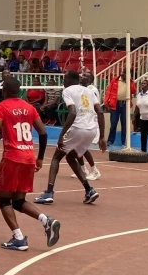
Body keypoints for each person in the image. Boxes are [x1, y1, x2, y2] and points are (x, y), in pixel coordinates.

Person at [0, 76, 60, 251]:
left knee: (3, 200)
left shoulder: (0, 108)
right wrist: (40, 158)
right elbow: (43, 132)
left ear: (4, 91)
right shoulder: (29, 107)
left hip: (12, 158)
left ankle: (18, 238)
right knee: (18, 201)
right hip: (29, 158)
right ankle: (46, 221)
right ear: (19, 91)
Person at [34, 71, 106, 205]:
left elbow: (72, 112)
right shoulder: (89, 91)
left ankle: (49, 192)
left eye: (64, 79)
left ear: (68, 80)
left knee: (56, 157)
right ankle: (89, 190)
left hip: (78, 127)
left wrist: (61, 135)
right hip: (91, 130)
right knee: (71, 156)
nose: (63, 82)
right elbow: (100, 112)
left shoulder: (67, 91)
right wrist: (102, 137)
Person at [74, 69, 102, 181]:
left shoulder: (91, 89)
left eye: (85, 76)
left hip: (90, 121)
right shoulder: (82, 89)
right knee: (77, 147)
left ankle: (94, 170)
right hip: (81, 120)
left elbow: (92, 106)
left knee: (82, 147)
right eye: (82, 75)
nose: (82, 76)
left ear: (90, 80)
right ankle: (83, 169)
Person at [104, 69, 136, 146]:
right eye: (123, 74)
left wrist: (130, 82)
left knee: (124, 123)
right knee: (113, 123)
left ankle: (123, 141)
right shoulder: (115, 80)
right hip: (115, 104)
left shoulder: (131, 82)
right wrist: (106, 102)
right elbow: (109, 91)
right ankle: (110, 141)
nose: (123, 75)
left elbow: (134, 91)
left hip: (125, 104)